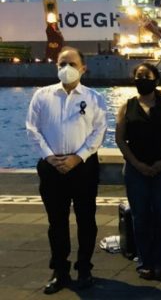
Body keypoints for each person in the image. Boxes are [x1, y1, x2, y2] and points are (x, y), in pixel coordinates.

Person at [25, 47, 107, 294]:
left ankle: (84, 269)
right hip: (51, 167)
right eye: (62, 64)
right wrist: (50, 157)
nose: (66, 68)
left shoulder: (94, 98)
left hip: (83, 167)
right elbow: (32, 129)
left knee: (86, 220)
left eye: (72, 63)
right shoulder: (42, 96)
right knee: (56, 222)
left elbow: (98, 132)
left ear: (83, 68)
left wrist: (78, 158)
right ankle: (60, 270)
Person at [115, 63, 161, 280]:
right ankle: (145, 261)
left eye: (147, 75)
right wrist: (136, 163)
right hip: (135, 170)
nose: (143, 79)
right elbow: (120, 139)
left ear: (156, 79)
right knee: (140, 216)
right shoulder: (126, 106)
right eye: (139, 75)